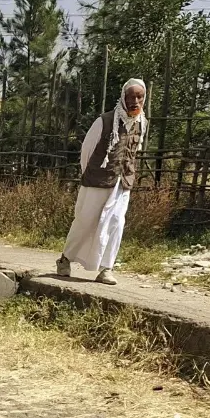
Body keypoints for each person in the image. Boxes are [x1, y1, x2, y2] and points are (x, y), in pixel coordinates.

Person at [58, 79, 148, 286]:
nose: (135, 101)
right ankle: (65, 259)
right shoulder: (105, 121)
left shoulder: (142, 122)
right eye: (131, 96)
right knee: (85, 221)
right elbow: (86, 152)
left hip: (122, 182)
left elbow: (135, 151)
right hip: (96, 181)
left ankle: (107, 268)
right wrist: (90, 175)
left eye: (139, 97)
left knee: (116, 222)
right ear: (123, 98)